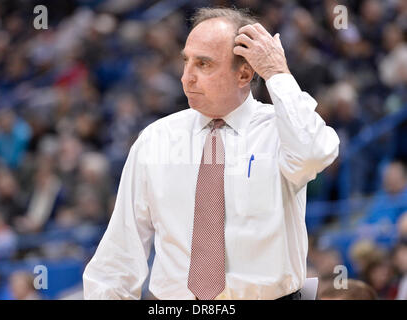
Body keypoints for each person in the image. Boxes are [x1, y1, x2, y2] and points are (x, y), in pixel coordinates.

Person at [83, 7, 339, 300]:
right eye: (186, 61)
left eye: (203, 64)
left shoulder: (280, 130)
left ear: (244, 73)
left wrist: (277, 74)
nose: (186, 78)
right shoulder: (155, 138)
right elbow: (119, 254)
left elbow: (316, 153)